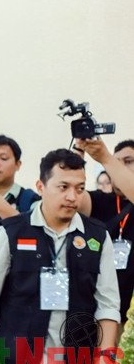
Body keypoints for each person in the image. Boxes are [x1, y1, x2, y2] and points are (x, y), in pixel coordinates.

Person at [0, 149, 120, 364]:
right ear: (41, 187)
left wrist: (106, 356)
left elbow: (108, 303)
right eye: (63, 187)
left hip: (81, 359)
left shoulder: (97, 236)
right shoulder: (11, 233)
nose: (73, 196)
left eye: (80, 188)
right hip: (28, 359)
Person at [74, 138, 134, 325]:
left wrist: (106, 157)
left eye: (128, 161)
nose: (119, 167)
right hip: (103, 314)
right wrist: (79, 152)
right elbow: (73, 199)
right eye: (116, 162)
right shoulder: (102, 200)